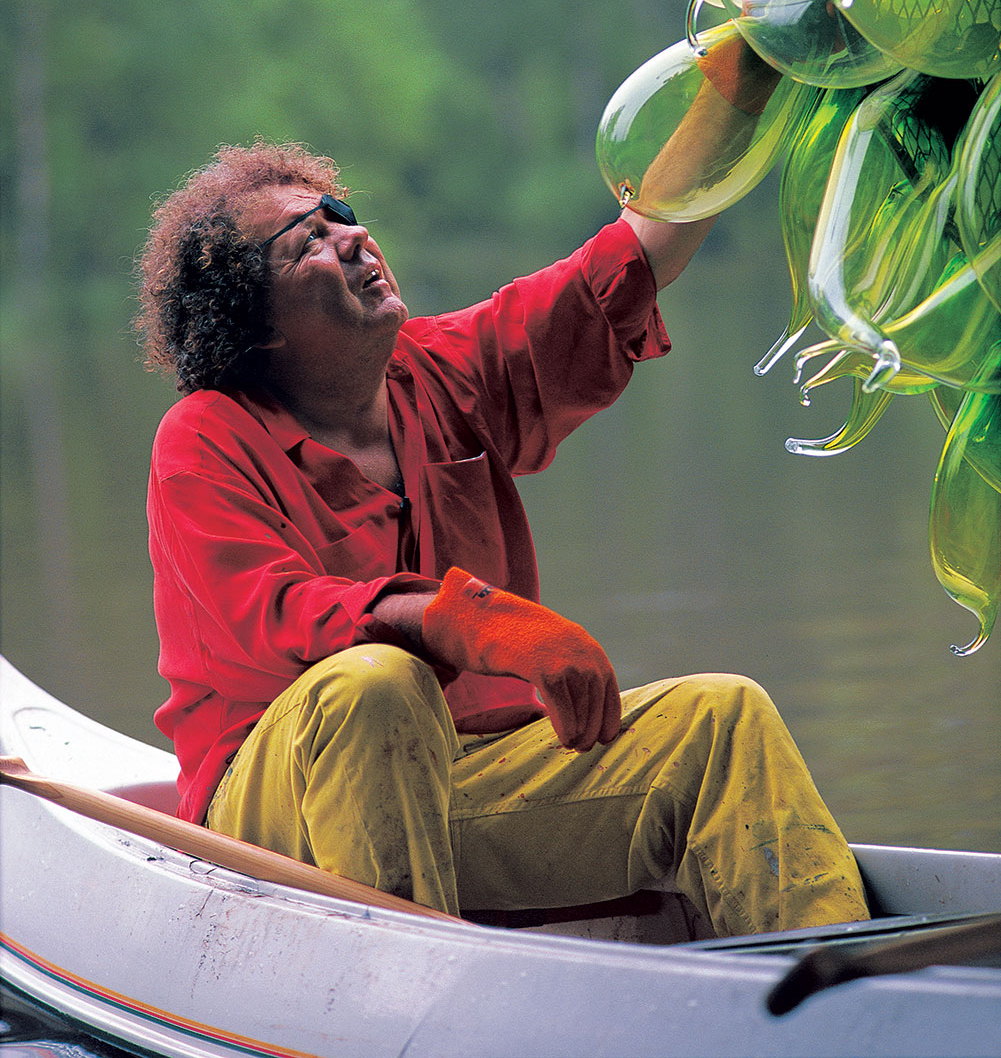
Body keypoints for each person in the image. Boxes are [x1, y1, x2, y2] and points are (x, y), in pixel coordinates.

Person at [137, 98, 870, 933]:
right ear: (252, 321)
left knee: (719, 715)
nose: (350, 236)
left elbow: (626, 263)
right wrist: (463, 621)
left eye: (339, 215)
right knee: (375, 684)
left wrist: (744, 85)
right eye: (306, 240)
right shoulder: (202, 439)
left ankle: (830, 984)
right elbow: (275, 614)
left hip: (461, 786)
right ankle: (404, 998)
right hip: (280, 831)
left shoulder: (443, 371)